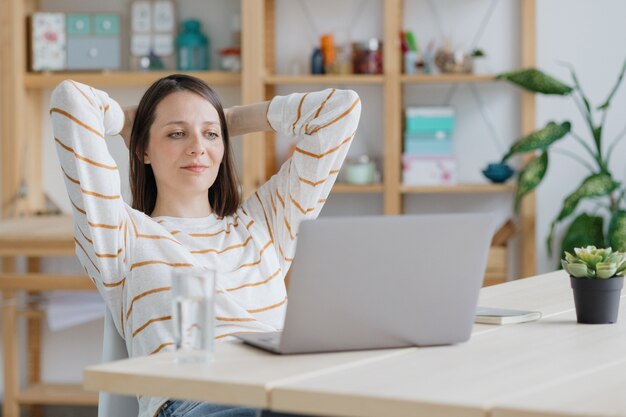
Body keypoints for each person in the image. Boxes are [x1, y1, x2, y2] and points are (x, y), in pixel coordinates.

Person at [50, 74, 361, 417]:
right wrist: (126, 123)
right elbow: (71, 101)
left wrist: (231, 120)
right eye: (176, 133)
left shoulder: (265, 225)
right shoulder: (122, 236)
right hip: (197, 404)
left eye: (211, 135)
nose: (198, 147)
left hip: (285, 390)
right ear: (143, 150)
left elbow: (340, 110)